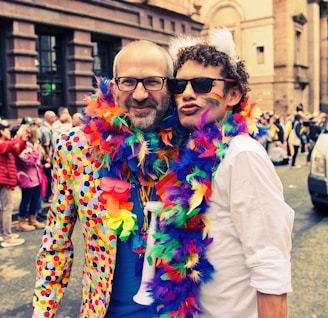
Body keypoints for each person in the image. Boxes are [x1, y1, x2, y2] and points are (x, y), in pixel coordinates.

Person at [32, 40, 187, 317]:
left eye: (152, 81)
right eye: (128, 82)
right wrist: (42, 312)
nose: (139, 94)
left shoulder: (192, 147)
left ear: (171, 86)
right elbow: (56, 243)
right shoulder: (75, 147)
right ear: (113, 86)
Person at [148, 28, 294, 318]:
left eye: (203, 84)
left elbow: (270, 265)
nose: (187, 93)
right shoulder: (190, 156)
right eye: (180, 85)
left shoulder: (243, 155)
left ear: (233, 94)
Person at [0, 120, 27, 247]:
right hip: (3, 180)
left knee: (4, 208)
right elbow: (11, 146)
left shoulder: (4, 143)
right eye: (6, 130)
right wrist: (19, 135)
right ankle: (7, 237)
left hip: (4, 179)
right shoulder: (2, 143)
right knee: (7, 208)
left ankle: (3, 234)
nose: (8, 132)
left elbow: (16, 150)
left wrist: (22, 139)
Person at [15, 126, 46, 231]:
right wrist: (36, 152)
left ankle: (33, 219)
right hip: (27, 178)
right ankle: (21, 222)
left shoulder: (32, 146)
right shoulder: (23, 147)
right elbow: (27, 161)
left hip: (36, 178)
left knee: (35, 199)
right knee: (25, 200)